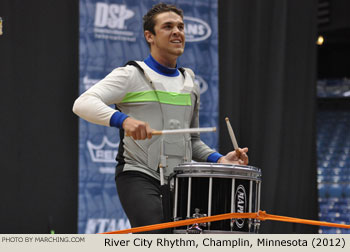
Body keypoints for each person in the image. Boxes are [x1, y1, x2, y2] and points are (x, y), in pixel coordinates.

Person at [73, 2, 248, 233]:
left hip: (181, 181)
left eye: (181, 26)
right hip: (138, 173)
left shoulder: (190, 83)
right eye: (168, 26)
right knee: (156, 235)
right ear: (150, 36)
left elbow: (191, 141)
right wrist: (123, 120)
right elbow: (82, 103)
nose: (177, 31)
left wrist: (219, 160)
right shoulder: (131, 75)